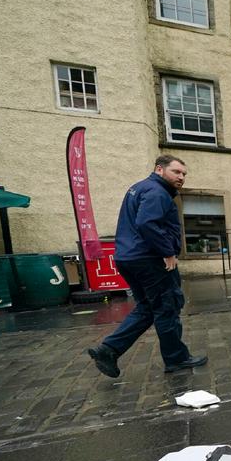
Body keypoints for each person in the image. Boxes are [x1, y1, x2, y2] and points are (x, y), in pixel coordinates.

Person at [87, 156, 207, 377]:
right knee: (167, 306)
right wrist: (167, 251)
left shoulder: (140, 188)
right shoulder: (157, 192)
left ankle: (109, 350)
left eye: (184, 174)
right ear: (159, 169)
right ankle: (176, 359)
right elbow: (147, 223)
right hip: (150, 260)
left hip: (128, 258)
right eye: (176, 172)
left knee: (147, 308)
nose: (181, 177)